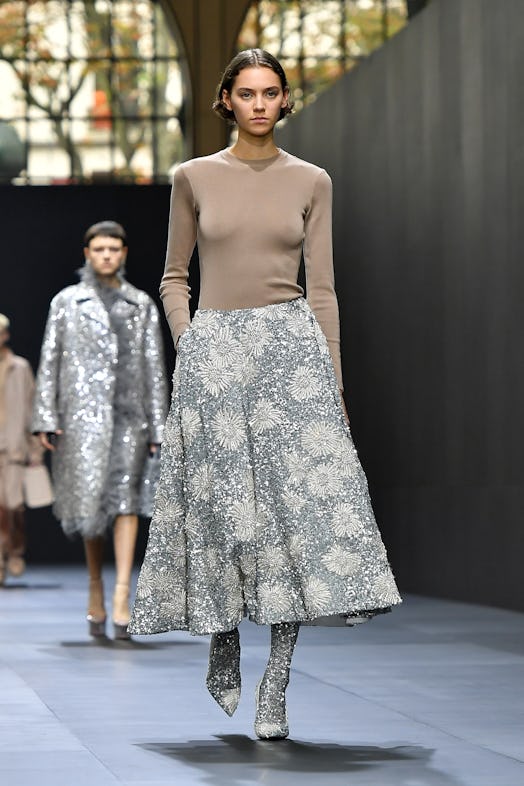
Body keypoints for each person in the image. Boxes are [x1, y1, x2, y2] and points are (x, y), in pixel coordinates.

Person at [129, 49, 401, 738]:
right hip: (215, 353)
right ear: (225, 100)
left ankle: (275, 682)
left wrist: (333, 382)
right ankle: (223, 636)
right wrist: (192, 344)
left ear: (285, 100)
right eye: (245, 92)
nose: (258, 103)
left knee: (288, 521)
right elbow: (172, 276)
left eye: (270, 92)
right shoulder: (193, 177)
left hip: (290, 355)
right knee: (224, 512)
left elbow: (323, 290)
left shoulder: (312, 181)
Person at [32, 221, 167, 639]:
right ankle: (95, 589)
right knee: (91, 507)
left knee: (126, 500)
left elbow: (154, 365)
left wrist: (158, 425)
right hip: (81, 418)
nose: (107, 255)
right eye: (99, 248)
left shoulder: (141, 304)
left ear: (124, 253)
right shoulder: (67, 303)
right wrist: (45, 417)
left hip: (130, 415)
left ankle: (123, 592)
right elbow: (50, 359)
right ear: (86, 253)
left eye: (114, 248)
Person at [0, 314, 43, 585]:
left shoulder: (21, 367)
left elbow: (33, 409)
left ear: (6, 335)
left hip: (14, 448)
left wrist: (36, 450)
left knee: (14, 507)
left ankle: (14, 549)